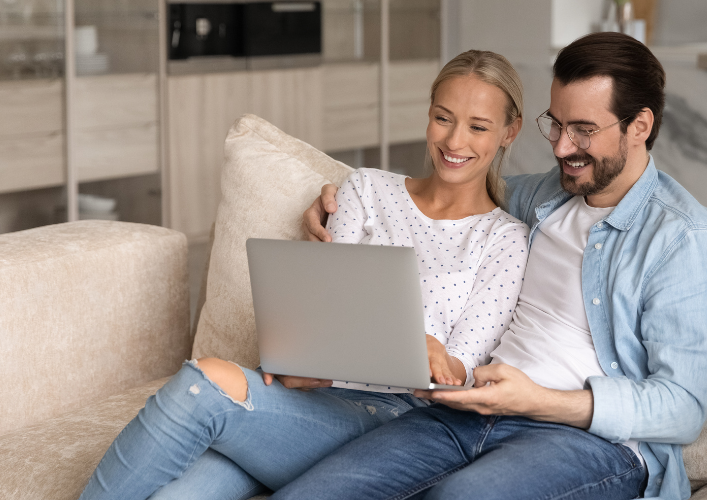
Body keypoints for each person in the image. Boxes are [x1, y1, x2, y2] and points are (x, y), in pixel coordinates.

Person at [283, 32, 707, 500]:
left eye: (584, 129)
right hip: (464, 415)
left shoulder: (688, 241)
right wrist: (332, 197)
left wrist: (537, 401)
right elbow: (448, 187)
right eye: (556, 125)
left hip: (585, 442)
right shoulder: (538, 197)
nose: (562, 148)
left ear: (639, 126)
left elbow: (683, 408)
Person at [78, 50, 530, 500]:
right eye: (443, 118)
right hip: (305, 396)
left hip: (395, 421)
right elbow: (322, 303)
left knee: (206, 382)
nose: (454, 141)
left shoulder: (504, 240)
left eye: (478, 126)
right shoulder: (367, 189)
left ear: (509, 131)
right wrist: (297, 358)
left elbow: (463, 373)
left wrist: (430, 354)